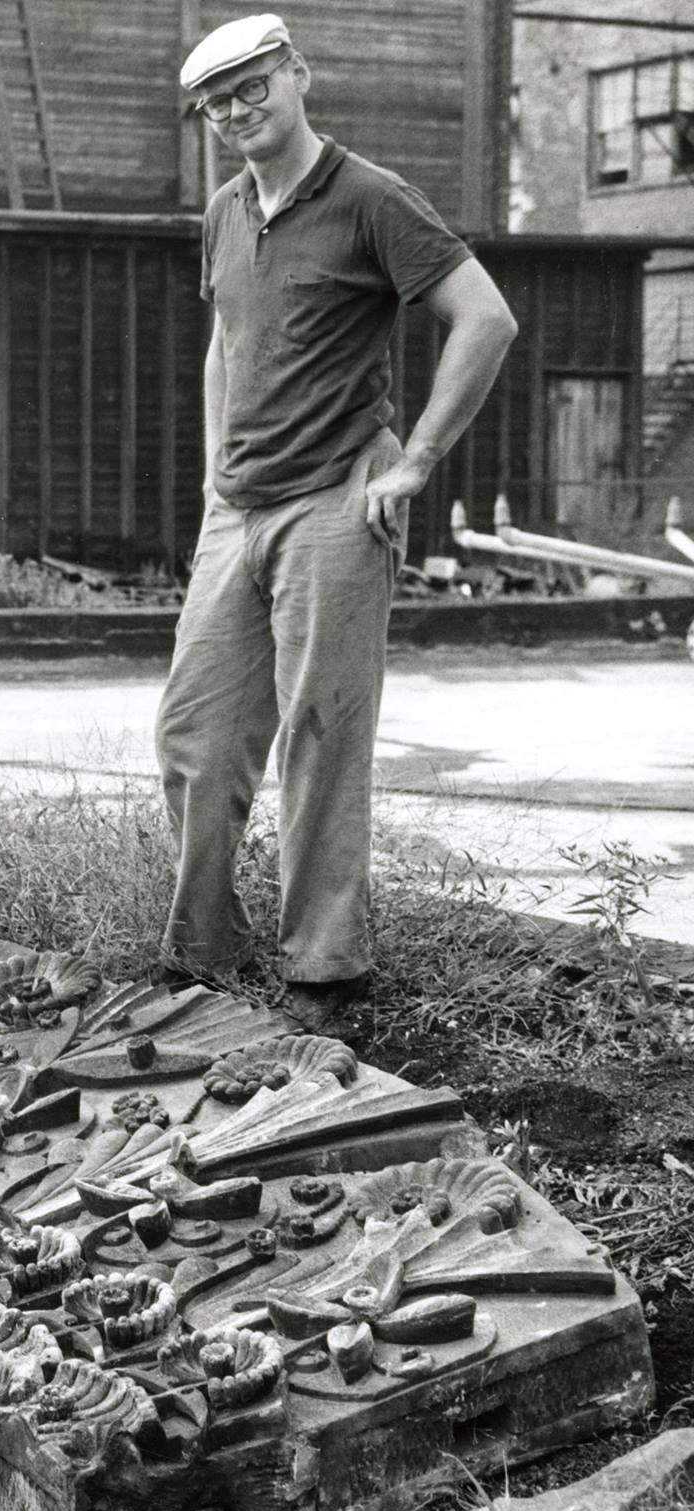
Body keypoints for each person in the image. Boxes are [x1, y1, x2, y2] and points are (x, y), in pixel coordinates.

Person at [155, 14, 518, 1030]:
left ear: (298, 75)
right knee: (192, 737)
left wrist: (416, 462)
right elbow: (226, 345)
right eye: (216, 101)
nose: (237, 110)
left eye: (253, 85)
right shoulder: (225, 211)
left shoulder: (369, 197)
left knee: (320, 735)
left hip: (334, 499)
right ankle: (203, 954)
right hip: (237, 510)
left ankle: (323, 973)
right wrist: (213, 477)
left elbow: (485, 318)